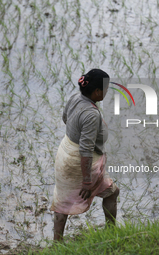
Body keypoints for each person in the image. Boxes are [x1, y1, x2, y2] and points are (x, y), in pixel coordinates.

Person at [50, 69, 120, 241]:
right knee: (109, 193)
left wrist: (76, 133)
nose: (106, 92)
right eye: (105, 89)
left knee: (63, 201)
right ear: (97, 92)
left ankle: (57, 244)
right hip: (79, 163)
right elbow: (86, 150)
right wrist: (87, 181)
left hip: (66, 152)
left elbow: (65, 118)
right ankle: (110, 231)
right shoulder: (91, 114)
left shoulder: (75, 97)